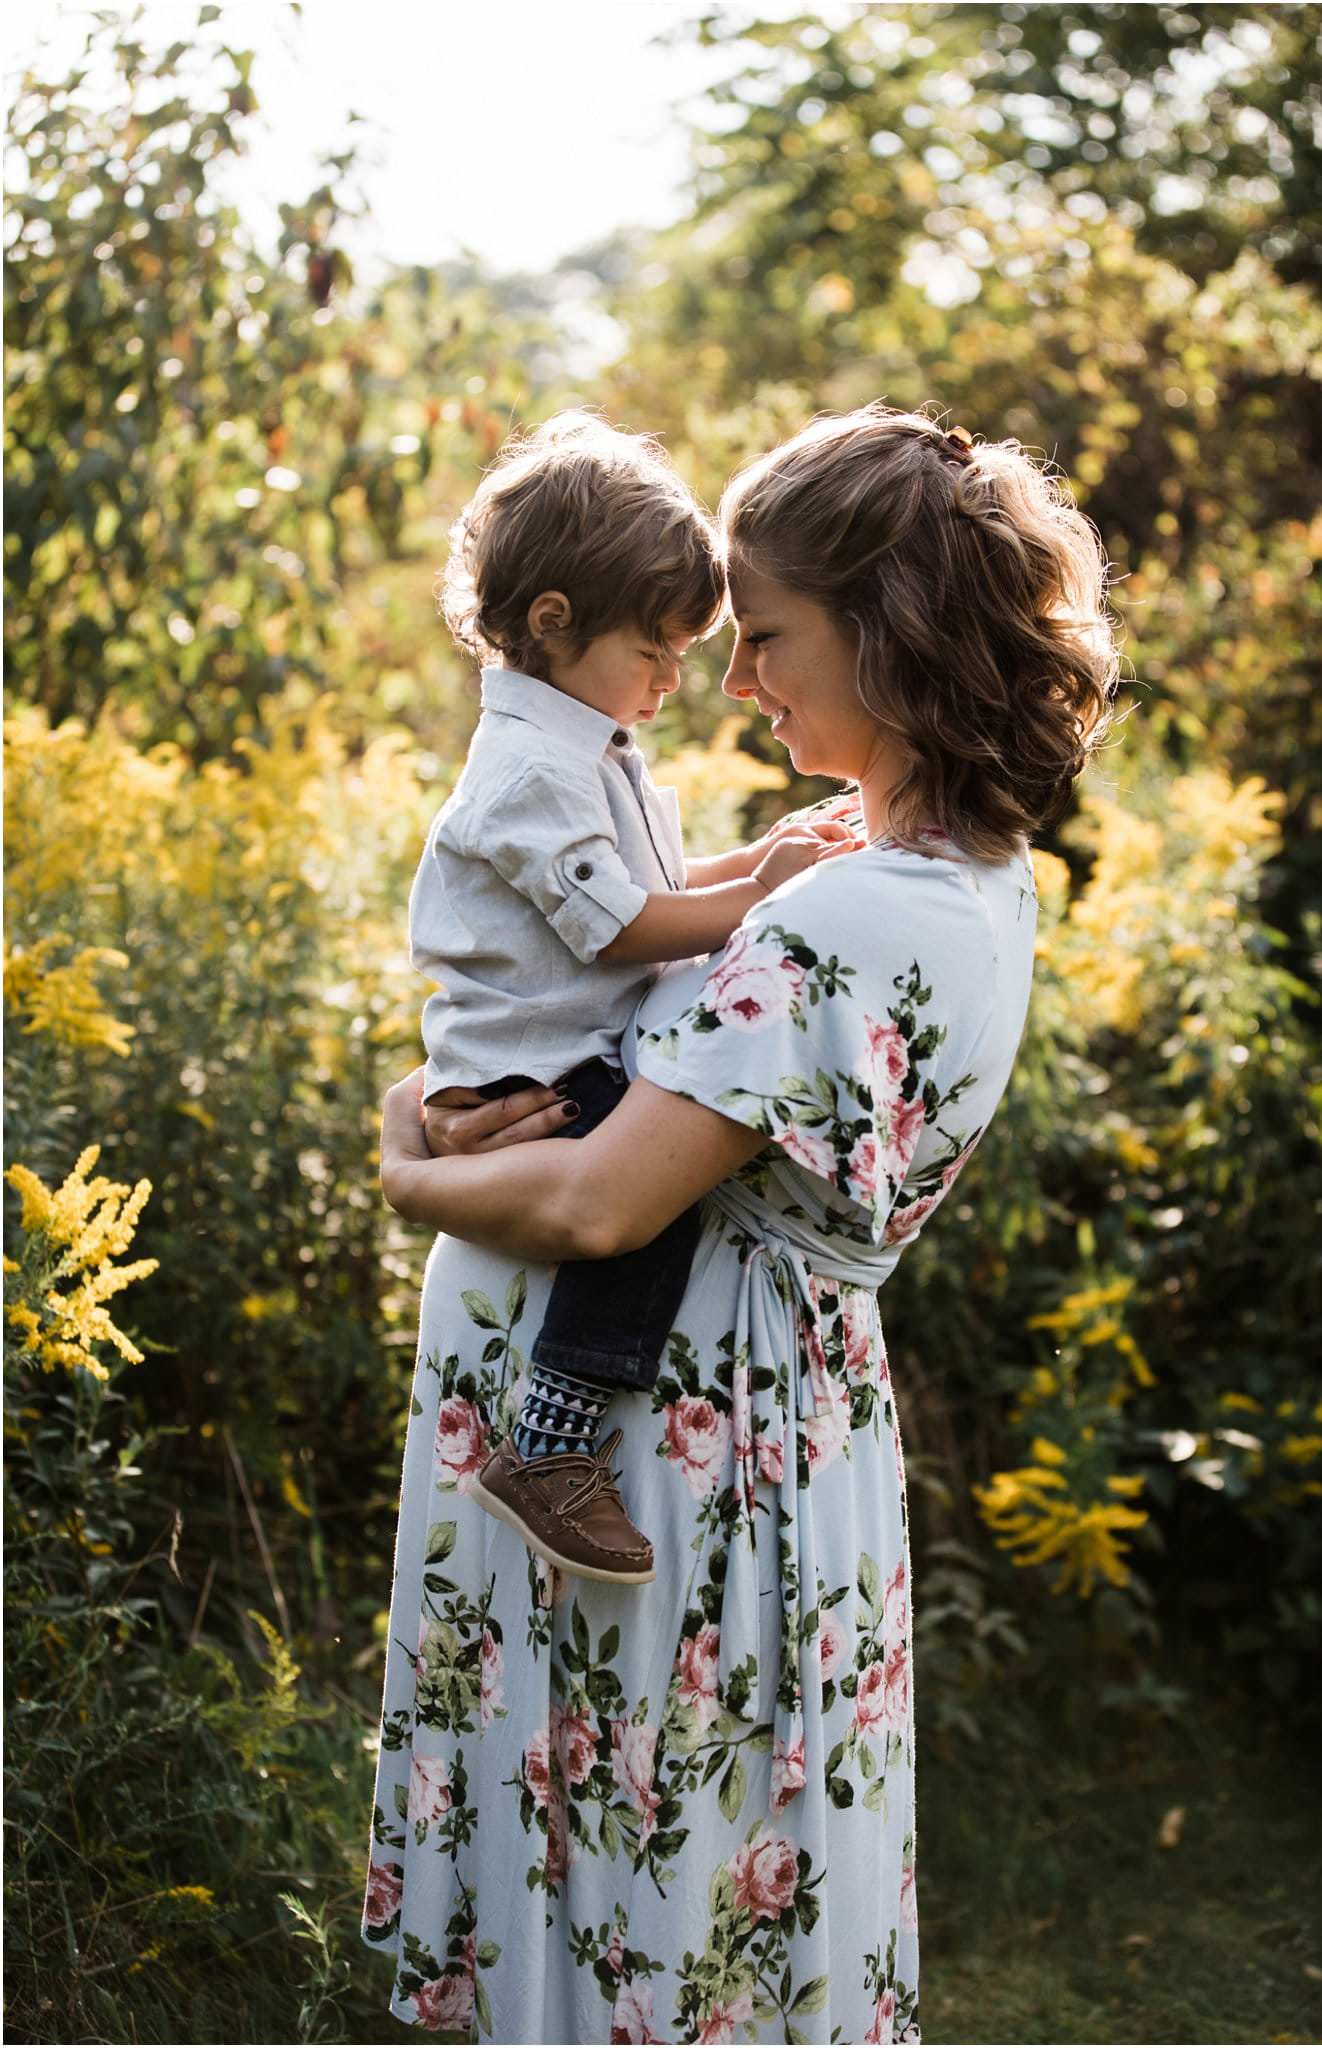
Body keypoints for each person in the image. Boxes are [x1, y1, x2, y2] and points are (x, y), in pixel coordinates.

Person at [361, 403, 1120, 2043]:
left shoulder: (848, 907)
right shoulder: (967, 876)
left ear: (890, 630)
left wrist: (405, 1160)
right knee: (691, 1873)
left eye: (765, 633)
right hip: (774, 1420)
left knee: (634, 1868)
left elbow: (599, 1194)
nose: (731, 675)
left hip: (662, 1453)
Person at [413, 410, 854, 1583]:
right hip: (536, 1071)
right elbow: (617, 927)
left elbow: (646, 887)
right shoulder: (527, 769)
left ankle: (563, 1434)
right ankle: (548, 1448)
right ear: (553, 624)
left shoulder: (584, 738)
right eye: (655, 651)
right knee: (643, 1200)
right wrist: (760, 892)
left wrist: (761, 855)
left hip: (557, 1043)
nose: (675, 680)